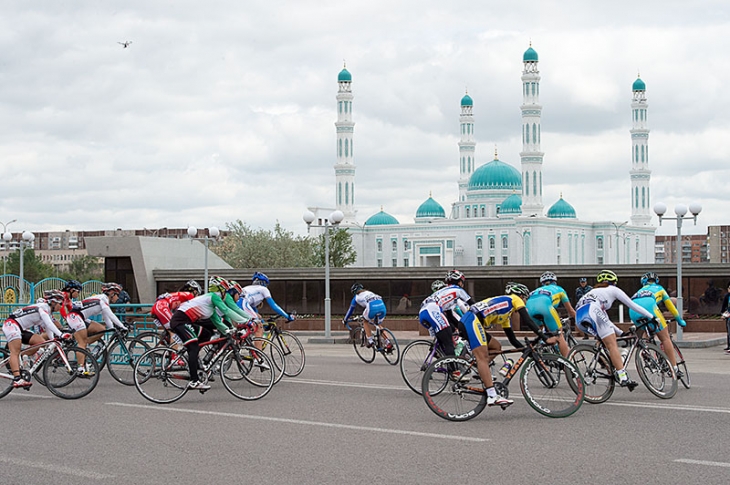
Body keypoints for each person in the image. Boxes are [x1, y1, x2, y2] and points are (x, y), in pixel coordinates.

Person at [459, 282, 554, 408]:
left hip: (470, 320)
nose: (525, 302)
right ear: (521, 296)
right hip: (471, 320)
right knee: (482, 357)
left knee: (496, 346)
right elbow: (528, 320)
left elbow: (512, 339)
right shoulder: (515, 299)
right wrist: (545, 338)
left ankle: (479, 369)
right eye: (525, 298)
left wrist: (528, 352)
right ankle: (492, 395)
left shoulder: (506, 314)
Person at [575, 270, 656, 390]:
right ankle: (623, 376)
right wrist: (652, 317)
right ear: (614, 282)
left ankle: (604, 363)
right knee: (612, 344)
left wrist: (620, 333)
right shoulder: (613, 289)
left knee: (604, 340)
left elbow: (605, 320)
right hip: (593, 312)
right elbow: (632, 305)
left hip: (579, 317)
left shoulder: (593, 292)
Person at [168, 277, 244, 390]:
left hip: (185, 321)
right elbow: (227, 311)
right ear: (220, 290)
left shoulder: (210, 306)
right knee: (193, 347)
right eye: (224, 291)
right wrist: (247, 321)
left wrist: (229, 330)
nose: (226, 294)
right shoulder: (213, 296)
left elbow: (218, 323)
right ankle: (194, 381)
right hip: (180, 322)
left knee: (206, 334)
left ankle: (196, 363)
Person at [2, 290, 71, 388]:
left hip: (21, 328)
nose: (61, 307)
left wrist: (56, 340)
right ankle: (17, 378)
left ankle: (20, 357)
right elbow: (49, 324)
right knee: (15, 351)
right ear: (53, 302)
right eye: (60, 304)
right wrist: (61, 335)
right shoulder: (43, 307)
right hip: (12, 325)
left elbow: (48, 329)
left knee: (41, 342)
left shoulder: (49, 312)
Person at [629, 272, 687, 374]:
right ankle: (674, 368)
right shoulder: (659, 288)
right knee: (665, 338)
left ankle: (646, 352)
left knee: (644, 333)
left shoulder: (639, 291)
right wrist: (679, 320)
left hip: (633, 311)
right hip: (650, 308)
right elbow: (670, 307)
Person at [66, 282, 128, 376]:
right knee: (82, 343)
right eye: (117, 295)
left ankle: (84, 346)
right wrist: (123, 327)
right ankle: (80, 368)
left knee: (100, 329)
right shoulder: (103, 299)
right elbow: (111, 314)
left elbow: (107, 317)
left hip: (81, 317)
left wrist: (113, 329)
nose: (118, 298)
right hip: (74, 316)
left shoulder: (103, 300)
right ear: (111, 293)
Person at [525, 271, 576, 357]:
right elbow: (570, 311)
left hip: (529, 309)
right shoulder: (560, 290)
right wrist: (578, 320)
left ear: (542, 284)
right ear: (555, 282)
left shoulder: (535, 291)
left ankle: (541, 350)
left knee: (540, 331)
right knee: (559, 335)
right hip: (545, 307)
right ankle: (568, 366)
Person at [240, 272, 295, 348]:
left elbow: (254, 311)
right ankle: (258, 356)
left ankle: (236, 348)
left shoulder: (248, 288)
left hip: (237, 305)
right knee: (258, 327)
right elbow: (274, 306)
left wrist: (263, 323)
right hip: (243, 305)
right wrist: (287, 316)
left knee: (251, 323)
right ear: (264, 283)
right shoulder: (263, 289)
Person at [150, 280, 202, 348]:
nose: (197, 296)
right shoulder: (189, 296)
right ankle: (174, 356)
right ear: (194, 291)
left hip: (158, 307)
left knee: (174, 328)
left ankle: (165, 343)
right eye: (197, 294)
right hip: (161, 307)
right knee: (174, 331)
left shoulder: (181, 295)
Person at [343, 283, 389, 348]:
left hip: (372, 307)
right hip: (382, 306)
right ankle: (387, 342)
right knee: (378, 325)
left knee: (365, 321)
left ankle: (370, 341)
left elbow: (350, 310)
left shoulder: (356, 297)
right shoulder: (369, 292)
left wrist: (345, 320)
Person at [720, 281, 730, 352]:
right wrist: (723, 313)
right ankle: (729, 345)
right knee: (729, 331)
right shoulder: (727, 296)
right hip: (728, 316)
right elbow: (724, 306)